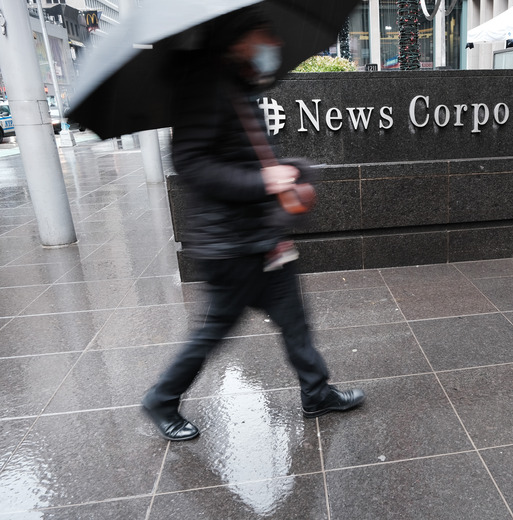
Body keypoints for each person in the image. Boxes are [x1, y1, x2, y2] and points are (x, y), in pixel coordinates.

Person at [141, 13, 365, 441]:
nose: (273, 43)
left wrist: (289, 172)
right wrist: (263, 181)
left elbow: (247, 155)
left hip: (261, 237)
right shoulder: (205, 86)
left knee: (295, 321)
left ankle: (316, 393)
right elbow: (192, 164)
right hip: (229, 244)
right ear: (238, 39)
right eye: (264, 35)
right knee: (213, 331)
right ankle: (162, 399)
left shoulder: (236, 84)